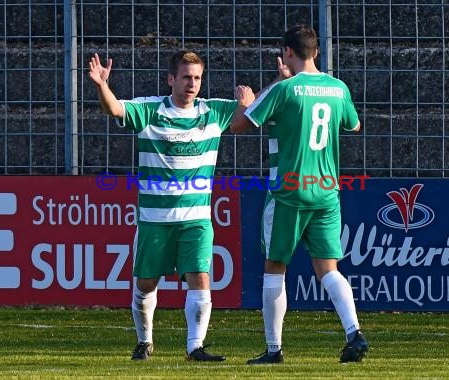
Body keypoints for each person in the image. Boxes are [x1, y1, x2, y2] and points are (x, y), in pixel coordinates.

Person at [88, 51, 255, 362]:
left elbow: (248, 120)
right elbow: (113, 108)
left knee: (200, 276)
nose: (192, 84)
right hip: (155, 218)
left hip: (196, 218)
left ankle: (195, 347)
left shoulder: (213, 111)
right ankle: (144, 340)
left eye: (197, 78)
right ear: (171, 79)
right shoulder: (151, 110)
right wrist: (101, 85)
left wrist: (260, 93)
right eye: (186, 77)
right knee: (146, 283)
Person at [231, 24, 369, 364]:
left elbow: (240, 125)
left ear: (287, 53)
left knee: (275, 266)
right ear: (317, 52)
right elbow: (354, 125)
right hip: (326, 191)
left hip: (289, 191)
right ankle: (354, 333)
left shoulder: (286, 89)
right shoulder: (338, 88)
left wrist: (257, 95)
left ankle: (274, 349)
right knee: (328, 269)